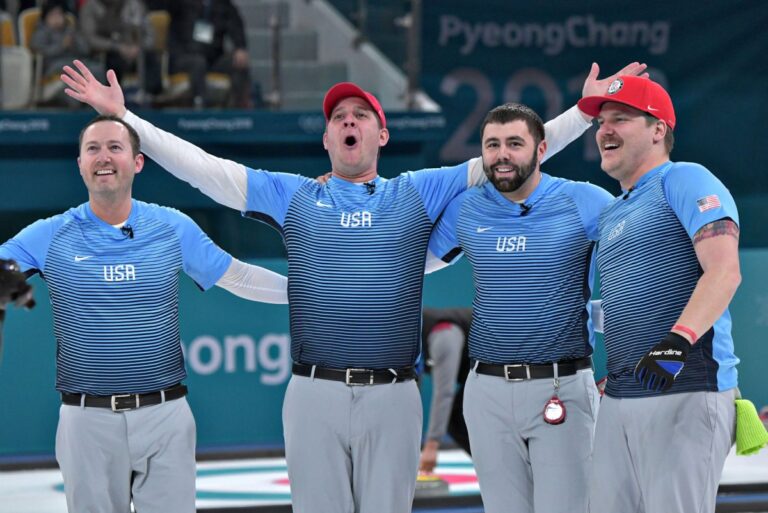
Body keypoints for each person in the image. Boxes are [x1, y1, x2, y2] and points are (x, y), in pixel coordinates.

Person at [60, 59, 645, 513]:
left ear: (381, 135)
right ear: (325, 140)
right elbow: (203, 169)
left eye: (360, 115)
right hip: (313, 393)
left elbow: (512, 155)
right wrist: (128, 121)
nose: (347, 121)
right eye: (338, 116)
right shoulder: (294, 195)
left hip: (393, 394)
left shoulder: (415, 192)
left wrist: (585, 111)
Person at [0, 115, 287, 512]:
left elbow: (238, 276)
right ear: (80, 163)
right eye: (93, 149)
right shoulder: (48, 234)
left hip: (165, 415)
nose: (104, 157)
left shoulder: (171, 227)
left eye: (115, 147)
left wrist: (312, 292)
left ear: (137, 162)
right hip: (87, 421)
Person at [427, 103, 612, 513]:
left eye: (514, 143)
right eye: (492, 145)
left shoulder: (585, 201)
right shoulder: (466, 207)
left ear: (541, 149)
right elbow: (406, 262)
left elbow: (643, 268)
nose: (502, 154)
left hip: (562, 387)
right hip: (485, 391)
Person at [577, 76, 740, 513]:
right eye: (600, 122)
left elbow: (724, 272)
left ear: (658, 130)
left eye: (620, 119)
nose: (605, 130)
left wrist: (676, 344)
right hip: (622, 395)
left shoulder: (684, 178)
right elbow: (619, 307)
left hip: (687, 387)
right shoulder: (612, 214)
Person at [164, 0, 253, 109]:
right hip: (183, 57)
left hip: (212, 57)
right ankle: (201, 107)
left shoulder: (222, 4)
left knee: (238, 64)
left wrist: (240, 47)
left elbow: (235, 25)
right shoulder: (181, 3)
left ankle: (238, 109)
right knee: (198, 63)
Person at [418, 307, 473, 474]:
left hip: (507, 367)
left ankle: (498, 468)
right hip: (478, 373)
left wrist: (431, 445)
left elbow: (444, 393)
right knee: (455, 418)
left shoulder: (443, 335)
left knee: (458, 416)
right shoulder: (404, 342)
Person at [79, 0, 162, 101]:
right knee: (111, 60)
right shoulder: (90, 7)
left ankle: (153, 97)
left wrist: (138, 48)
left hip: (137, 50)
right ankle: (112, 98)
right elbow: (90, 39)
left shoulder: (134, 5)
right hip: (108, 52)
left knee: (150, 58)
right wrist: (117, 47)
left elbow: (150, 34)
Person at [30, 0, 101, 107]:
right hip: (53, 65)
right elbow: (40, 51)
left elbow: (85, 50)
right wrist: (62, 46)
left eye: (59, 14)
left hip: (75, 61)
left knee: (96, 68)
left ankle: (95, 103)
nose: (56, 18)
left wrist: (74, 43)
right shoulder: (41, 31)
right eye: (52, 15)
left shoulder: (70, 30)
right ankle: (72, 105)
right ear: (45, 17)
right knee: (75, 73)